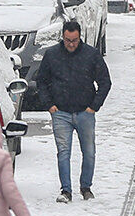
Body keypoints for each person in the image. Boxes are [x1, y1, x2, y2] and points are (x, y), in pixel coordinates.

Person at [34, 19, 112, 203]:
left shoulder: (91, 55)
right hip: (60, 112)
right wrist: (49, 105)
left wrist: (94, 106)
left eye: (74, 40)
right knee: (63, 152)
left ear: (80, 38)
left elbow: (105, 82)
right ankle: (66, 190)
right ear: (62, 37)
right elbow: (41, 81)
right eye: (68, 40)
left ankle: (86, 187)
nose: (71, 44)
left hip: (85, 112)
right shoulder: (52, 55)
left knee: (89, 152)